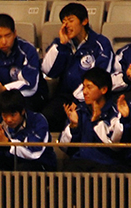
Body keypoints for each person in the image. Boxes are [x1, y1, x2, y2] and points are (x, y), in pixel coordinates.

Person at [40, 2, 116, 131]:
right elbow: (48, 71)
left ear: (84, 21)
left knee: (82, 122)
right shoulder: (62, 43)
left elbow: (101, 76)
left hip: (91, 97)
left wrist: (79, 98)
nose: (66, 25)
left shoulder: (100, 43)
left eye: (70, 20)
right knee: (45, 118)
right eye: (64, 21)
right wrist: (62, 45)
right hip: (64, 96)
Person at [59, 67, 124, 172]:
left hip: (106, 166)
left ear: (103, 89)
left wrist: (96, 122)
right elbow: (64, 147)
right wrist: (74, 126)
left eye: (89, 87)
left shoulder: (116, 112)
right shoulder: (79, 111)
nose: (84, 92)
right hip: (80, 164)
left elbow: (114, 147)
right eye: (84, 87)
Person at [0, 14, 43, 113]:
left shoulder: (28, 50)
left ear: (15, 34)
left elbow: (30, 83)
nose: (4, 41)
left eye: (7, 36)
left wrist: (5, 89)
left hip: (24, 97)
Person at [0, 90, 56, 171]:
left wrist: (8, 143)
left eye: (13, 115)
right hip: (12, 164)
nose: (8, 120)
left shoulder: (38, 121)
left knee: (22, 169)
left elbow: (35, 154)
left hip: (41, 165)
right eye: (5, 115)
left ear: (23, 111)